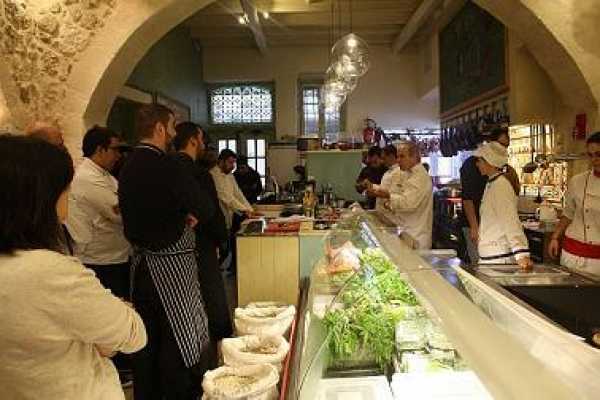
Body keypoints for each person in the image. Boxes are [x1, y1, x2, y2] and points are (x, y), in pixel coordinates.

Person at [0, 134, 146, 400]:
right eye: (66, 189)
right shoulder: (49, 272)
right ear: (43, 198)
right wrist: (119, 311)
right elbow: (133, 334)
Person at [118, 104, 212, 400]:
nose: (173, 133)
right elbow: (204, 207)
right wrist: (189, 214)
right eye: (171, 126)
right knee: (178, 338)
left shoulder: (127, 165)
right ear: (159, 128)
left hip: (140, 266)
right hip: (172, 266)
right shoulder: (167, 165)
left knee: (147, 339)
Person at [65, 126, 133, 383]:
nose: (119, 155)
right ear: (100, 149)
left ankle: (121, 363)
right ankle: (116, 367)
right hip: (101, 258)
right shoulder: (87, 178)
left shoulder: (105, 175)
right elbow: (119, 212)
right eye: (115, 149)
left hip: (115, 253)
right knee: (110, 314)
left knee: (119, 306)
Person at [173, 122, 233, 341]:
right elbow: (210, 212)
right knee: (212, 294)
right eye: (202, 140)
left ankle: (194, 340)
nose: (204, 145)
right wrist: (221, 240)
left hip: (174, 247)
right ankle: (220, 343)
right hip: (202, 243)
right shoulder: (199, 174)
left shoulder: (166, 169)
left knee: (186, 299)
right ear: (193, 141)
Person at [460, 127, 519, 261]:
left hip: (493, 230)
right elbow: (467, 199)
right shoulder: (472, 164)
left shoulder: (502, 170)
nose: (503, 148)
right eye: (501, 144)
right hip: (474, 223)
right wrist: (474, 227)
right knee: (478, 262)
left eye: (506, 146)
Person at [474, 141, 533, 269]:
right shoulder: (492, 183)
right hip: (492, 257)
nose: (477, 164)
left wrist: (521, 252)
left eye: (479, 160)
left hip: (499, 259)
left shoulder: (501, 186)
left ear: (489, 161)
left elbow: (510, 220)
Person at [549, 132, 600, 277]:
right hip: (571, 255)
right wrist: (555, 237)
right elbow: (568, 213)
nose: (594, 160)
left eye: (599, 154)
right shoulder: (577, 182)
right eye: (590, 155)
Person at [369, 141, 433, 249]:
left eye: (402, 156)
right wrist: (375, 188)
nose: (398, 160)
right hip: (405, 231)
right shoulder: (407, 173)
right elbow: (396, 193)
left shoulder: (419, 177)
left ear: (414, 157)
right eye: (398, 156)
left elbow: (408, 203)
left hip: (416, 236)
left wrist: (388, 197)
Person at [211, 149, 254, 230]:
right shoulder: (214, 175)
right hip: (217, 218)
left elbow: (238, 193)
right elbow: (227, 197)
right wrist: (245, 210)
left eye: (234, 163)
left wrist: (250, 210)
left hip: (229, 216)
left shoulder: (229, 174)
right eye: (230, 162)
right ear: (221, 161)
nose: (233, 166)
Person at [365, 144, 402, 212]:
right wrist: (372, 186)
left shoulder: (398, 172)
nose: (382, 161)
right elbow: (384, 188)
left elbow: (393, 194)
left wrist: (375, 193)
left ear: (391, 156)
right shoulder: (389, 171)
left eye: (384, 158)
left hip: (390, 211)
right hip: (381, 210)